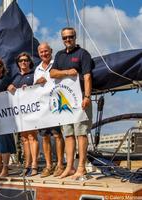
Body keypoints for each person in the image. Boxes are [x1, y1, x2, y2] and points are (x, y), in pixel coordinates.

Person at [50, 27, 93, 179]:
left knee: (81, 133)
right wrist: (68, 72)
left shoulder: (83, 54)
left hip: (80, 99)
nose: (68, 40)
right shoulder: (59, 55)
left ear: (75, 37)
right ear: (62, 39)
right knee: (68, 134)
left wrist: (87, 96)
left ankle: (81, 166)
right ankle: (69, 167)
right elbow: (52, 73)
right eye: (65, 38)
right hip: (65, 101)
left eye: (70, 37)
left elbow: (87, 76)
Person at [34, 42, 65, 178]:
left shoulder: (57, 63)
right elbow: (34, 88)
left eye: (46, 51)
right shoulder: (37, 69)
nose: (44, 54)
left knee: (58, 135)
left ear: (51, 51)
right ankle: (48, 165)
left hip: (56, 105)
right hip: (43, 108)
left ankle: (60, 164)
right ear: (39, 54)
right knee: (45, 136)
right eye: (41, 52)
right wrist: (36, 82)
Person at [7, 52, 39, 177]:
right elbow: (10, 89)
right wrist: (9, 86)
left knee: (32, 137)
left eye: (25, 60)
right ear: (18, 63)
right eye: (21, 61)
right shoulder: (15, 77)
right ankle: (27, 165)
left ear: (29, 62)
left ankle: (35, 165)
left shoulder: (34, 74)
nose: (23, 62)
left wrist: (32, 86)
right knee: (24, 139)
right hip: (19, 112)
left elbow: (40, 86)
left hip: (32, 110)